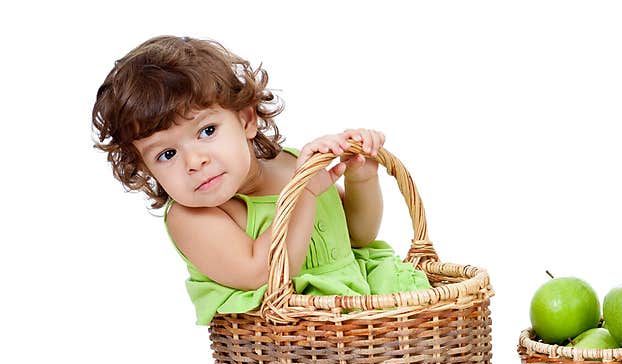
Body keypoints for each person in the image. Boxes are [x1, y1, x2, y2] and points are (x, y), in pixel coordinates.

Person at [92, 35, 431, 325]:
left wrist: (362, 177)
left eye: (207, 131)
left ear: (247, 120)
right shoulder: (193, 217)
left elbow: (359, 235)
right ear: (146, 168)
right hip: (297, 339)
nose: (195, 161)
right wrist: (305, 195)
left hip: (364, 311)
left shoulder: (293, 164)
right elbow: (262, 273)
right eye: (166, 155)